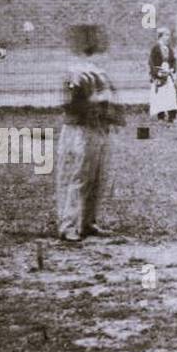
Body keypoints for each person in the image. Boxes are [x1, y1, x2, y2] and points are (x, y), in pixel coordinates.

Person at [56, 24, 124, 243]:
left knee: (96, 178)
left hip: (98, 129)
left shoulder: (99, 73)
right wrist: (96, 102)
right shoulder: (75, 72)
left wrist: (111, 116)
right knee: (78, 177)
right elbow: (70, 104)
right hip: (80, 130)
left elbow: (113, 100)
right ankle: (68, 225)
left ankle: (87, 221)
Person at [148, 27, 177, 124]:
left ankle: (171, 117)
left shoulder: (169, 48)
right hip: (159, 76)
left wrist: (172, 68)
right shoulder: (155, 48)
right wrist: (157, 74)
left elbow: (173, 60)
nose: (168, 38)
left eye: (168, 35)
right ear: (160, 36)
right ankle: (160, 117)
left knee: (171, 95)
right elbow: (151, 62)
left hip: (168, 75)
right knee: (160, 96)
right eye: (166, 35)